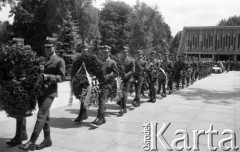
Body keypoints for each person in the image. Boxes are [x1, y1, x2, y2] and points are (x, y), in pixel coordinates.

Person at [19, 37, 66, 151]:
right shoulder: (44, 60)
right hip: (40, 91)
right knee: (46, 117)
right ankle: (47, 140)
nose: (47, 50)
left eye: (49, 48)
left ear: (54, 47)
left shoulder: (59, 60)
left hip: (49, 92)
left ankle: (32, 141)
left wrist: (48, 77)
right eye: (45, 48)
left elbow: (61, 77)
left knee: (41, 115)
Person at [92, 45, 118, 125]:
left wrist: (107, 76)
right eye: (103, 52)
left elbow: (116, 74)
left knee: (102, 101)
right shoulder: (99, 61)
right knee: (99, 101)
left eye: (105, 52)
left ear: (108, 53)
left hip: (107, 84)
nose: (104, 53)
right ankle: (102, 118)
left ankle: (99, 117)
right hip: (99, 83)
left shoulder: (112, 62)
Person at [117, 46, 135, 115]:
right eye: (123, 52)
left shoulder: (131, 60)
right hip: (120, 79)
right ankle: (122, 106)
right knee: (120, 93)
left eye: (125, 52)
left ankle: (123, 108)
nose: (124, 53)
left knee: (125, 93)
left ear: (127, 52)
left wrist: (126, 75)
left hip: (128, 79)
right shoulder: (120, 60)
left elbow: (133, 71)